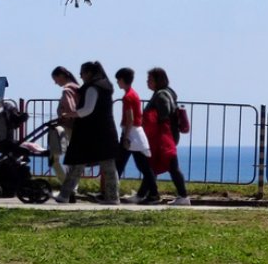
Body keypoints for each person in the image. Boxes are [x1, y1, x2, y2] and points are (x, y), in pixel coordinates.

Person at [56, 60, 121, 205]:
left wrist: (70, 114)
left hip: (91, 132)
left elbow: (87, 110)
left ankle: (64, 195)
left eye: (82, 73)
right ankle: (113, 197)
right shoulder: (105, 87)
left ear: (89, 73)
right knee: (108, 166)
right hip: (105, 131)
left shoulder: (92, 88)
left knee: (77, 163)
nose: (80, 76)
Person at [133, 66, 190, 206]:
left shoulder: (161, 95)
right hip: (166, 136)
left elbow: (164, 115)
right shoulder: (167, 92)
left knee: (168, 166)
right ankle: (143, 194)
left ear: (158, 80)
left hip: (164, 137)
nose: (147, 82)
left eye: (150, 79)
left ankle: (183, 196)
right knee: (153, 165)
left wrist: (156, 124)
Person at [48, 66, 79, 181]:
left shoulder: (67, 89)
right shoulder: (77, 87)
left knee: (56, 157)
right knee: (74, 157)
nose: (55, 83)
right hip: (79, 126)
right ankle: (71, 185)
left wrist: (64, 115)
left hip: (69, 126)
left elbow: (70, 108)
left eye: (55, 79)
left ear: (61, 76)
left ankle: (67, 184)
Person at [113, 67, 144, 179]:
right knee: (141, 164)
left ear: (122, 80)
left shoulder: (127, 97)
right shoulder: (133, 94)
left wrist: (125, 137)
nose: (117, 82)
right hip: (134, 132)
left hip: (129, 133)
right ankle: (153, 191)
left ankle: (109, 191)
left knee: (119, 163)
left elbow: (130, 119)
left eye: (118, 80)